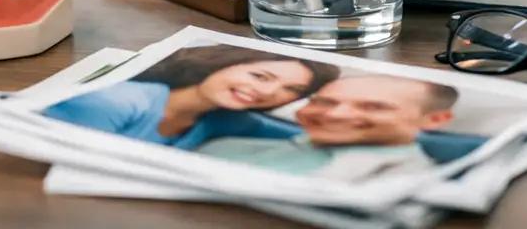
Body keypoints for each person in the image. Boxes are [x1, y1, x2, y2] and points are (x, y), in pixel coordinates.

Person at [42, 44, 339, 150]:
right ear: (219, 64)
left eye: (290, 90)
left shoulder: (223, 119)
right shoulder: (118, 101)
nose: (269, 93)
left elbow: (313, 133)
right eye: (260, 76)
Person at [198, 75, 461, 181]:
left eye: (373, 107)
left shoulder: (416, 181)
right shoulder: (222, 147)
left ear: (434, 120)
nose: (336, 115)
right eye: (324, 102)